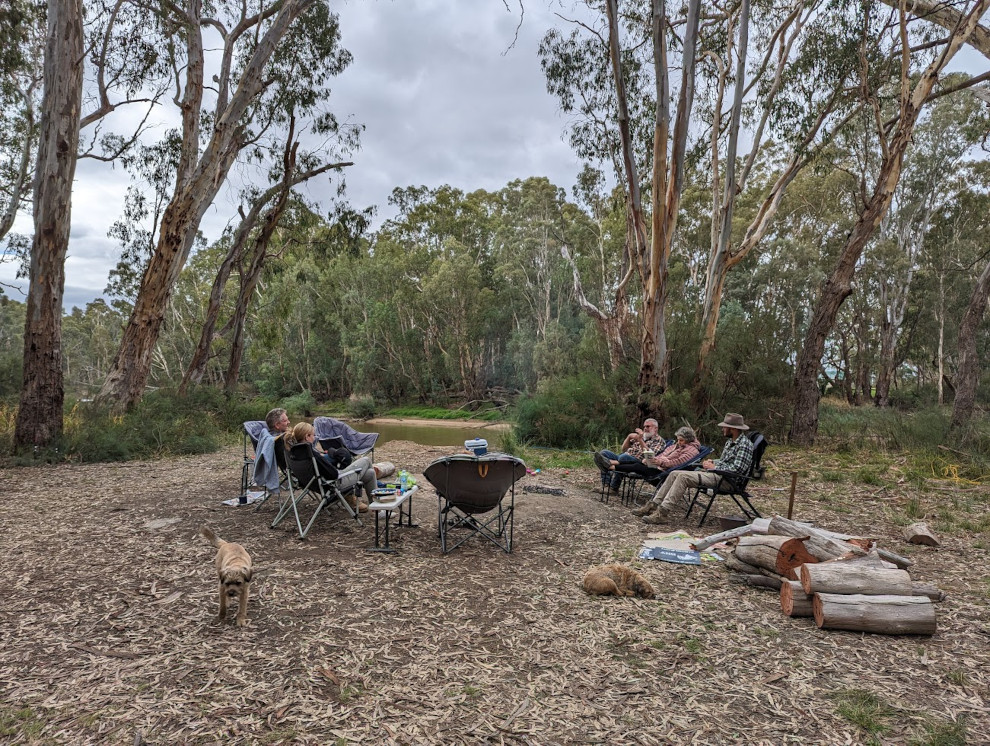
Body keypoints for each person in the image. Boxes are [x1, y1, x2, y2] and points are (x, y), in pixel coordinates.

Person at [634, 413, 754, 525]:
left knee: (683, 476)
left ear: (733, 429)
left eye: (725, 427)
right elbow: (726, 461)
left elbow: (737, 470)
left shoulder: (744, 444)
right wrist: (713, 462)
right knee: (675, 473)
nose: (723, 429)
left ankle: (663, 513)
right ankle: (653, 505)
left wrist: (715, 467)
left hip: (727, 481)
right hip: (718, 475)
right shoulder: (730, 442)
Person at [287, 422, 376, 513]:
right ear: (307, 437)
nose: (314, 438)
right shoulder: (312, 455)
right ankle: (377, 508)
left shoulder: (293, 452)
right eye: (313, 435)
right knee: (366, 460)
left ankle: (376, 509)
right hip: (334, 484)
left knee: (370, 473)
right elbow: (333, 474)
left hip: (316, 485)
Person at [606, 426, 702, 482]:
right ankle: (610, 463)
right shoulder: (677, 446)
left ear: (688, 440)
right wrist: (653, 460)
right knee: (639, 463)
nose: (679, 442)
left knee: (638, 466)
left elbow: (679, 462)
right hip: (658, 466)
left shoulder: (692, 450)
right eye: (678, 440)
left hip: (665, 472)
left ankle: (611, 466)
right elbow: (663, 454)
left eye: (681, 440)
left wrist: (660, 462)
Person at [593, 418, 664, 491]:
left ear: (655, 428)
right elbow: (624, 449)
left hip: (638, 463)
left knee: (623, 457)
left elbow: (649, 455)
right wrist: (629, 437)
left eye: (648, 426)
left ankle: (613, 487)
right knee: (604, 453)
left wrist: (640, 440)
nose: (645, 428)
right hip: (624, 456)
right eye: (644, 426)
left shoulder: (659, 441)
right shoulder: (642, 437)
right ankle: (606, 485)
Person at [252, 408, 291, 493]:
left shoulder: (270, 438)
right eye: (285, 421)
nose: (289, 422)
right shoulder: (279, 440)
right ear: (277, 425)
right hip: (301, 470)